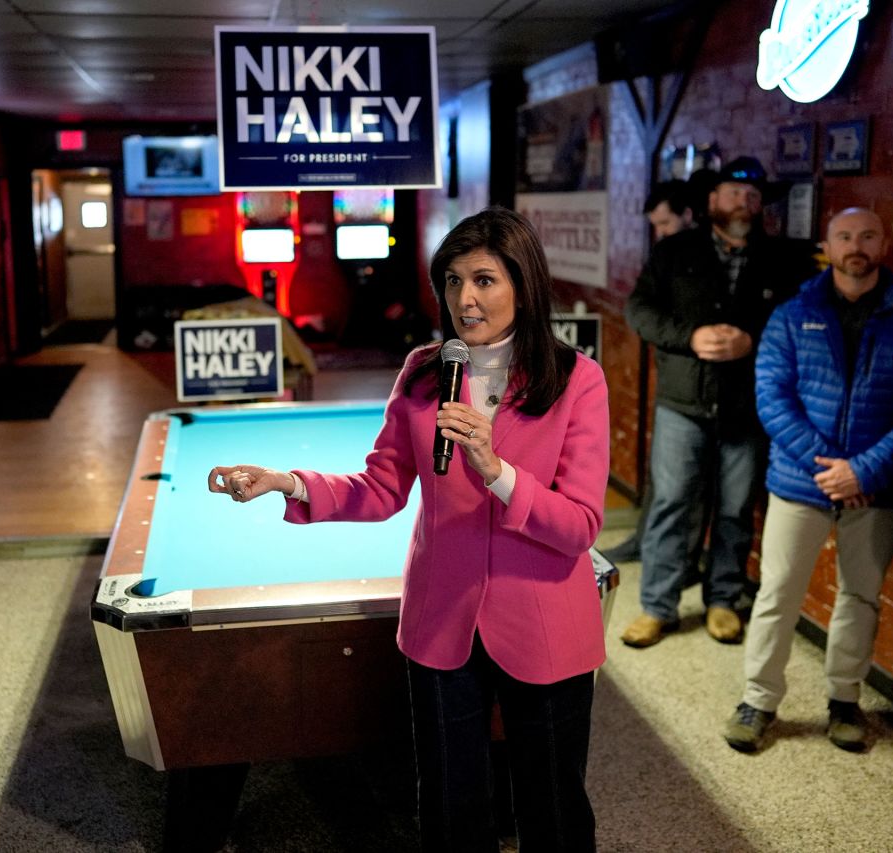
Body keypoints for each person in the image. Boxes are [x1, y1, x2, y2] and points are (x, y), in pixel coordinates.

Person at [208, 207, 610, 853]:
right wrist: (286, 482)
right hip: (442, 620)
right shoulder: (425, 371)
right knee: (450, 807)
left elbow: (580, 525)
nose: (464, 298)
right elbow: (381, 488)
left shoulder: (577, 379)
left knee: (553, 808)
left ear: (523, 285)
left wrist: (498, 471)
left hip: (544, 621)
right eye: (452, 281)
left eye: (483, 279)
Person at [721, 208, 893, 752]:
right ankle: (758, 699)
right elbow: (772, 400)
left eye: (868, 235)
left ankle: (845, 699)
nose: (856, 245)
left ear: (884, 241)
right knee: (777, 593)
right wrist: (833, 470)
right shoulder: (793, 315)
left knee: (861, 596)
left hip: (878, 486)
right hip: (802, 481)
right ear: (828, 244)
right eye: (845, 236)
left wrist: (864, 470)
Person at [620, 156, 816, 646]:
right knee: (670, 504)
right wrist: (692, 336)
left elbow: (798, 323)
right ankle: (657, 606)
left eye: (752, 197)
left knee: (735, 507)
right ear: (712, 201)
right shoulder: (675, 251)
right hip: (682, 403)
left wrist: (752, 339)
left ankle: (723, 600)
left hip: (749, 406)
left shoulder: (782, 261)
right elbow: (639, 310)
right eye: (733, 193)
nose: (743, 203)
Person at [603, 179, 697, 565]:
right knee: (664, 477)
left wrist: (688, 338)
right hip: (677, 380)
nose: (658, 233)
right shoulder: (666, 257)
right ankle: (647, 541)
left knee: (686, 486)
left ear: (688, 215)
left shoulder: (708, 261)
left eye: (664, 223)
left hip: (710, 390)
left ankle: (676, 560)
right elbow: (639, 310)